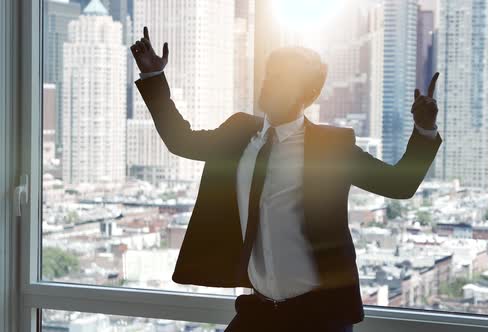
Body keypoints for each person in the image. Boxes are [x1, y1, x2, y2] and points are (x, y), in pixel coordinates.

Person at [130, 26, 442, 332]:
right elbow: (181, 141)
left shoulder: (331, 148)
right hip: (260, 309)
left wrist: (424, 130)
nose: (268, 84)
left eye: (281, 79)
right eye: (269, 75)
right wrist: (154, 78)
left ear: (308, 94)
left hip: (320, 315)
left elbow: (398, 184)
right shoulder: (238, 133)